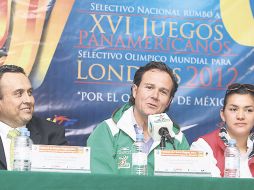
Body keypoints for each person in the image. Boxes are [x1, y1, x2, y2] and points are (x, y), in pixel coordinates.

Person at [87, 61, 190, 175]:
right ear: (135, 91)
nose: (155, 96)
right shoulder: (107, 130)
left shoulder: (177, 139)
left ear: (168, 101)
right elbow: (99, 183)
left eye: (163, 92)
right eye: (149, 87)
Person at [0, 65, 67, 170]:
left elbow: (63, 181)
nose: (29, 100)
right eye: (19, 94)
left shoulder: (52, 134)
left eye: (30, 93)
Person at [191, 83, 254, 178]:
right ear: (223, 114)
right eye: (233, 109)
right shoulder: (203, 146)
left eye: (248, 110)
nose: (240, 116)